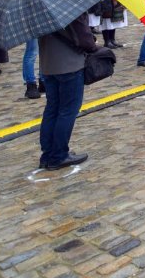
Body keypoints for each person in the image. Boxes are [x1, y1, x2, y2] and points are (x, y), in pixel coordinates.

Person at [37, 11, 99, 170]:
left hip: (48, 64)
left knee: (52, 109)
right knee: (67, 110)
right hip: (69, 64)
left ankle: (47, 154)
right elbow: (84, 38)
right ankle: (59, 155)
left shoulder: (38, 6)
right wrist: (93, 43)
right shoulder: (68, 5)